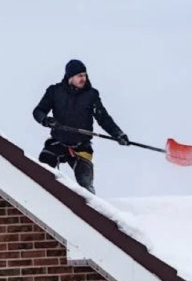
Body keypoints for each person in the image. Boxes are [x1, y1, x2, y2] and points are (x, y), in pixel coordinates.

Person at [32, 59, 129, 194]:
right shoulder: (54, 91)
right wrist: (46, 120)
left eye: (85, 75)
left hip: (81, 147)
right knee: (41, 173)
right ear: (70, 77)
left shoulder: (91, 95)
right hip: (57, 143)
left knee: (86, 188)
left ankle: (93, 210)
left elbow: (104, 119)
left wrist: (118, 134)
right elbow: (38, 112)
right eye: (80, 76)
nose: (83, 79)